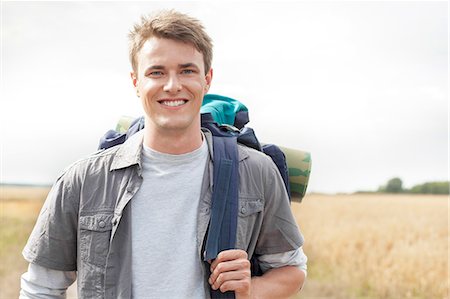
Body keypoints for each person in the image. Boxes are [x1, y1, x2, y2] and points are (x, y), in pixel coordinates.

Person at [20, 9, 307, 299]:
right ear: (136, 82)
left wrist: (250, 290)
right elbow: (40, 289)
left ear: (207, 79)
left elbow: (292, 269)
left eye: (187, 70)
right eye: (157, 72)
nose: (172, 85)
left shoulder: (256, 171)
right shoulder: (82, 180)